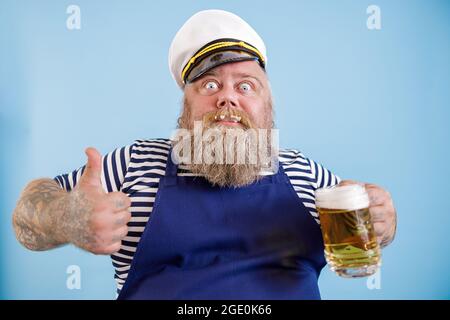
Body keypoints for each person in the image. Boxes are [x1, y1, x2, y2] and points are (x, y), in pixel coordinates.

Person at [12, 9, 397, 299]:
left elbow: (366, 231)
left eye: (246, 86)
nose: (227, 96)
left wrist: (384, 224)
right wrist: (69, 218)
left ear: (269, 106)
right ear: (186, 106)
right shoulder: (135, 166)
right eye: (209, 84)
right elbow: (26, 219)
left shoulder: (305, 175)